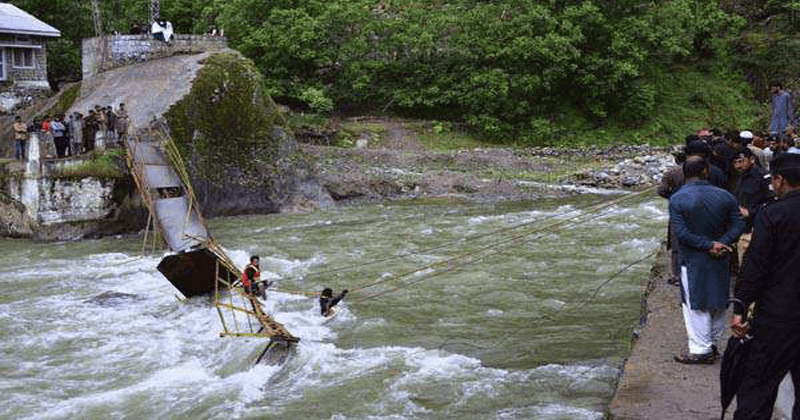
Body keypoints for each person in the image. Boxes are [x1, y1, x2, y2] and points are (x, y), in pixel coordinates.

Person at [731, 152, 800, 419]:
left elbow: (756, 266)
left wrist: (740, 306)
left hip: (777, 315)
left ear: (780, 180)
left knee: (757, 387)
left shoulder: (773, 214)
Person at [670, 155, 745, 364]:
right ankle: (711, 343)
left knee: (695, 303)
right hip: (721, 256)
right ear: (706, 171)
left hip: (693, 258)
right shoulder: (726, 196)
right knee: (719, 300)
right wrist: (721, 243)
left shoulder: (677, 199)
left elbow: (682, 234)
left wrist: (708, 245)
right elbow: (739, 225)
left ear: (685, 173)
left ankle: (701, 350)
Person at [732, 147, 773, 265]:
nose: (738, 166)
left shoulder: (763, 176)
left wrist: (751, 212)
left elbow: (771, 202)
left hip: (759, 225)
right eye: (735, 163)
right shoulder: (740, 177)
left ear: (752, 160)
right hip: (742, 227)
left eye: (741, 161)